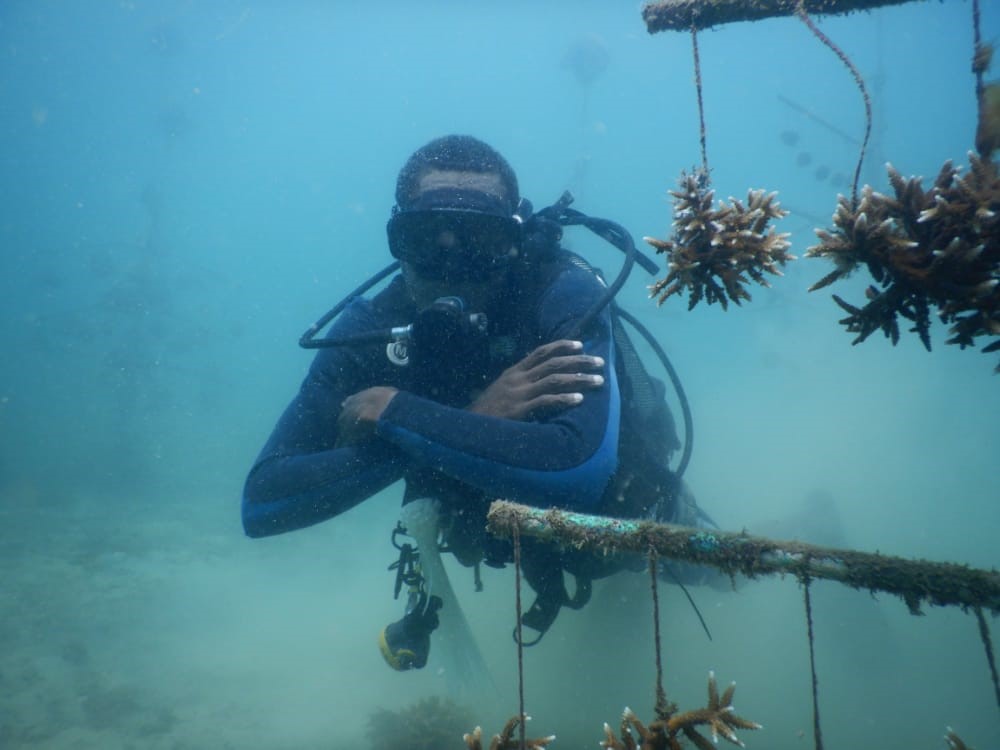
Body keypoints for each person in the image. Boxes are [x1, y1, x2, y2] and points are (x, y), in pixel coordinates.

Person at [242, 135, 713, 672]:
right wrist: (465, 419)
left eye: (479, 236)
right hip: (498, 534)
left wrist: (399, 416)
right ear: (398, 239)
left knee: (702, 564)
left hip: (621, 510)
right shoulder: (370, 328)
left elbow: (577, 466)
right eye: (425, 237)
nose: (451, 263)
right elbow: (262, 503)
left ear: (516, 238)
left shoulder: (562, 295)